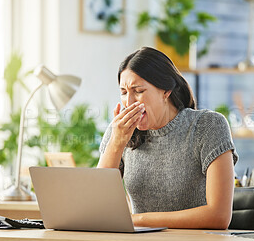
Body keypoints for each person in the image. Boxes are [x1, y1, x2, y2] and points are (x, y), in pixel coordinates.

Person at [98, 47, 238, 229]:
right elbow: (98, 205)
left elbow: (218, 216)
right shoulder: (119, 131)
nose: (129, 102)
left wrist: (138, 220)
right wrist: (116, 144)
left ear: (166, 91)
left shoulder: (208, 126)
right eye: (124, 92)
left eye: (138, 90)